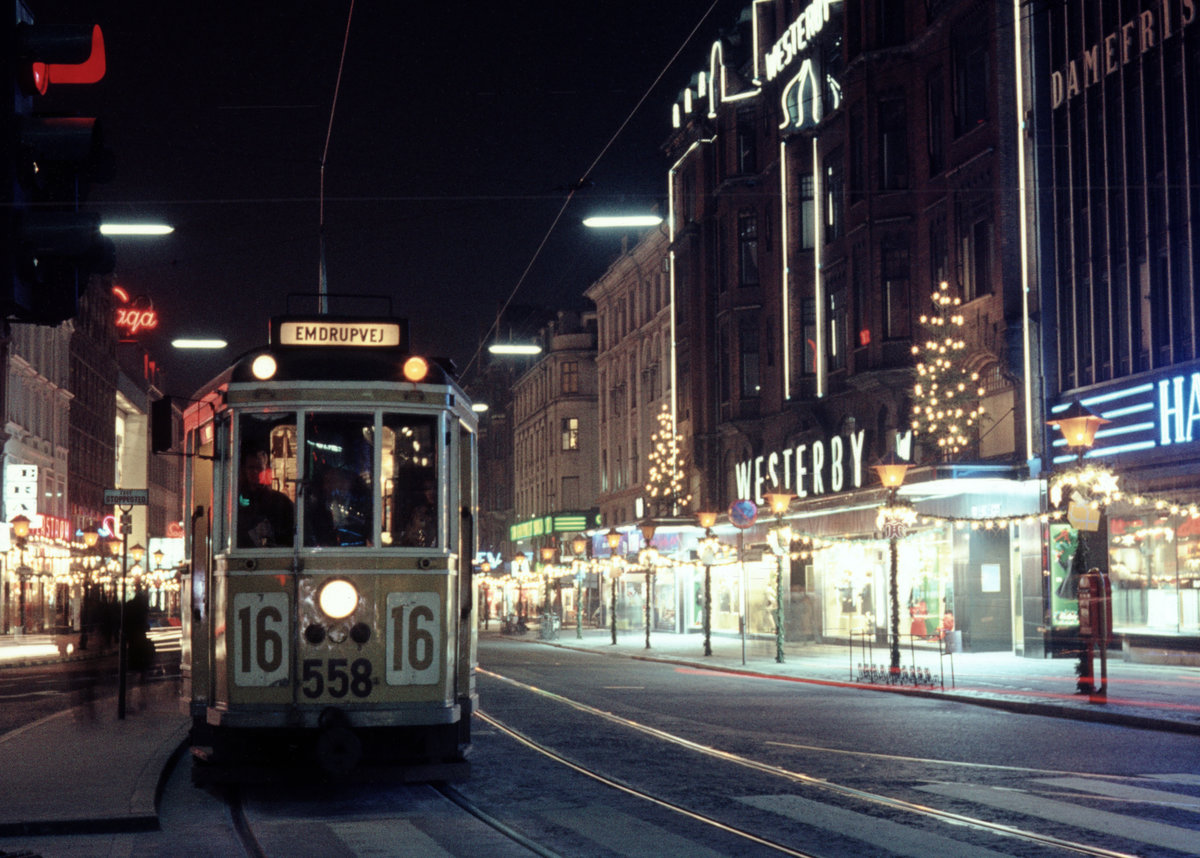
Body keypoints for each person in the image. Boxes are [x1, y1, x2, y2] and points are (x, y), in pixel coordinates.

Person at [238, 450, 295, 548]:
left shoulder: (281, 501)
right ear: (244, 470)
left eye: (259, 468)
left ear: (266, 470)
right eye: (251, 468)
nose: (255, 472)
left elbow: (292, 535)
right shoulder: (235, 502)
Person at [401, 479, 437, 547]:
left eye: (434, 488)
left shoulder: (444, 512)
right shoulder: (419, 512)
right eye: (427, 489)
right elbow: (409, 535)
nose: (431, 492)